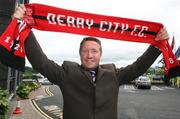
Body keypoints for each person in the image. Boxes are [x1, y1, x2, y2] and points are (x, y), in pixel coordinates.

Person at [13, 4, 169, 119]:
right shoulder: (66, 72)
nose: (89, 55)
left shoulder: (113, 73)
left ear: (100, 54)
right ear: (80, 54)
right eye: (85, 51)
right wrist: (23, 27)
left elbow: (138, 67)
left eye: (94, 51)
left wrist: (156, 46)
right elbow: (41, 62)